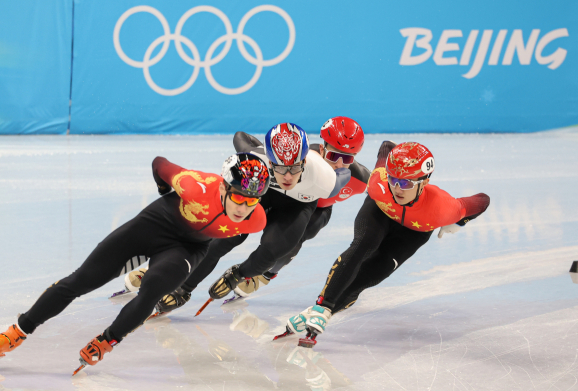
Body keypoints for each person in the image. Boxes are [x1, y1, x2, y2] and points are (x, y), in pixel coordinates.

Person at [0, 153, 271, 372]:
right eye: (240, 198)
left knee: (154, 286)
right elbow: (159, 163)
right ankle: (18, 331)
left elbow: (226, 240)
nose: (245, 207)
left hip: (187, 248)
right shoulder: (194, 186)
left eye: (253, 200)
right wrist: (164, 192)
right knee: (81, 280)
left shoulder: (255, 220)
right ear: (223, 189)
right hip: (153, 225)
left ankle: (106, 341)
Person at [284, 141, 491, 346]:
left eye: (406, 183)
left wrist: (461, 220)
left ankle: (317, 312)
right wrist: (395, 158)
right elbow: (386, 146)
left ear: (424, 181)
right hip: (380, 209)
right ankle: (323, 307)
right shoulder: (380, 183)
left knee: (375, 272)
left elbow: (482, 200)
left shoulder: (444, 208)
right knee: (363, 245)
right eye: (394, 179)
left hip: (414, 230)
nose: (397, 188)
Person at [140, 122, 351, 314]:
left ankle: (238, 275)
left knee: (273, 251)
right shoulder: (255, 158)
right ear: (269, 159)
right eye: (280, 167)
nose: (287, 176)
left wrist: (239, 275)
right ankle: (183, 288)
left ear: (304, 160)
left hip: (298, 207)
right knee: (221, 240)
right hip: (264, 194)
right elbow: (240, 136)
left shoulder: (325, 179)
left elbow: (349, 175)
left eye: (295, 168)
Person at [233, 116, 371, 297]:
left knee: (307, 228)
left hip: (316, 209)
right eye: (333, 156)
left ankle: (263, 275)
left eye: (347, 159)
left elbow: (386, 186)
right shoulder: (302, 156)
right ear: (322, 149)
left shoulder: (360, 178)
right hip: (283, 197)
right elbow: (246, 140)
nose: (339, 164)